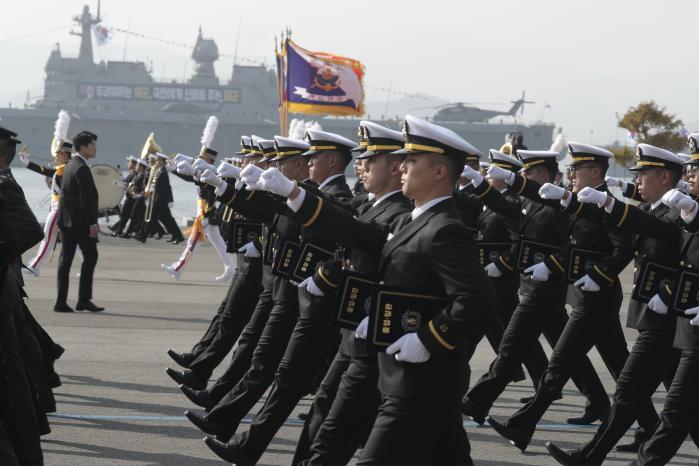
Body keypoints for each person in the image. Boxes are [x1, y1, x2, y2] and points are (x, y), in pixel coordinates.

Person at [204, 115, 493, 465]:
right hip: (387, 358)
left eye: (412, 161)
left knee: (349, 445)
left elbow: (478, 299)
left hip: (421, 374)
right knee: (335, 432)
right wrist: (294, 194)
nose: (403, 168)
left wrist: (430, 338)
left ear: (439, 172)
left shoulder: (445, 228)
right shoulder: (414, 219)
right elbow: (357, 234)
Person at [545, 144, 692, 465]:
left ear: (664, 177)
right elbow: (632, 219)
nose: (638, 182)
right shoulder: (656, 209)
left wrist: (667, 293)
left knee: (634, 394)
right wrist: (585, 201)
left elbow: (679, 257)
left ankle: (589, 456)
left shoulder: (674, 214)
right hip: (662, 322)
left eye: (644, 176)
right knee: (673, 407)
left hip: (666, 321)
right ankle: (593, 455)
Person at [481, 143, 634, 451]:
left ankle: (523, 423)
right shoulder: (576, 202)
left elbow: (624, 248)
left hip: (598, 297)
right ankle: (648, 426)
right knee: (623, 368)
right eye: (570, 169)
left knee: (559, 365)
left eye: (576, 169)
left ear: (595, 172)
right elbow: (556, 231)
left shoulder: (607, 204)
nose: (571, 174)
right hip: (580, 294)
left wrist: (598, 274)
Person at [460, 149, 611, 427]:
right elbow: (504, 208)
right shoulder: (533, 201)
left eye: (528, 172)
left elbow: (577, 243)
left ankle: (477, 401)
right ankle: (599, 401)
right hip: (533, 285)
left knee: (511, 346)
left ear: (544, 175)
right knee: (567, 352)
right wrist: (479, 184)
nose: (523, 176)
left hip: (545, 288)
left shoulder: (560, 203)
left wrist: (552, 265)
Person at [164, 116, 236, 281]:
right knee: (218, 244)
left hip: (206, 213)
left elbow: (211, 195)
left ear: (208, 160)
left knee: (192, 242)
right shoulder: (201, 171)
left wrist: (207, 214)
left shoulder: (210, 173)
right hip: (203, 211)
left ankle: (178, 268)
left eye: (203, 159)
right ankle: (231, 268)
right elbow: (190, 177)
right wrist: (174, 169)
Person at [20, 110, 73, 277]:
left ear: (64, 154)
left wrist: (29, 164)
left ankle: (34, 267)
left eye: (58, 153)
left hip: (59, 208)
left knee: (48, 238)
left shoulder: (65, 168)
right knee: (73, 241)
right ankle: (89, 263)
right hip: (60, 207)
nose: (56, 156)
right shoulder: (65, 167)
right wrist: (28, 164)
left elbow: (50, 172)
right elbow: (49, 172)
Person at [56, 130, 103, 313]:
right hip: (81, 224)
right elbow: (87, 199)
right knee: (91, 257)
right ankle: (83, 299)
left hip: (67, 222)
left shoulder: (70, 165)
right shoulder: (82, 168)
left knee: (65, 261)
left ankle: (61, 301)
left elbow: (65, 196)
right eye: (92, 145)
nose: (94, 148)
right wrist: (93, 223)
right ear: (83, 147)